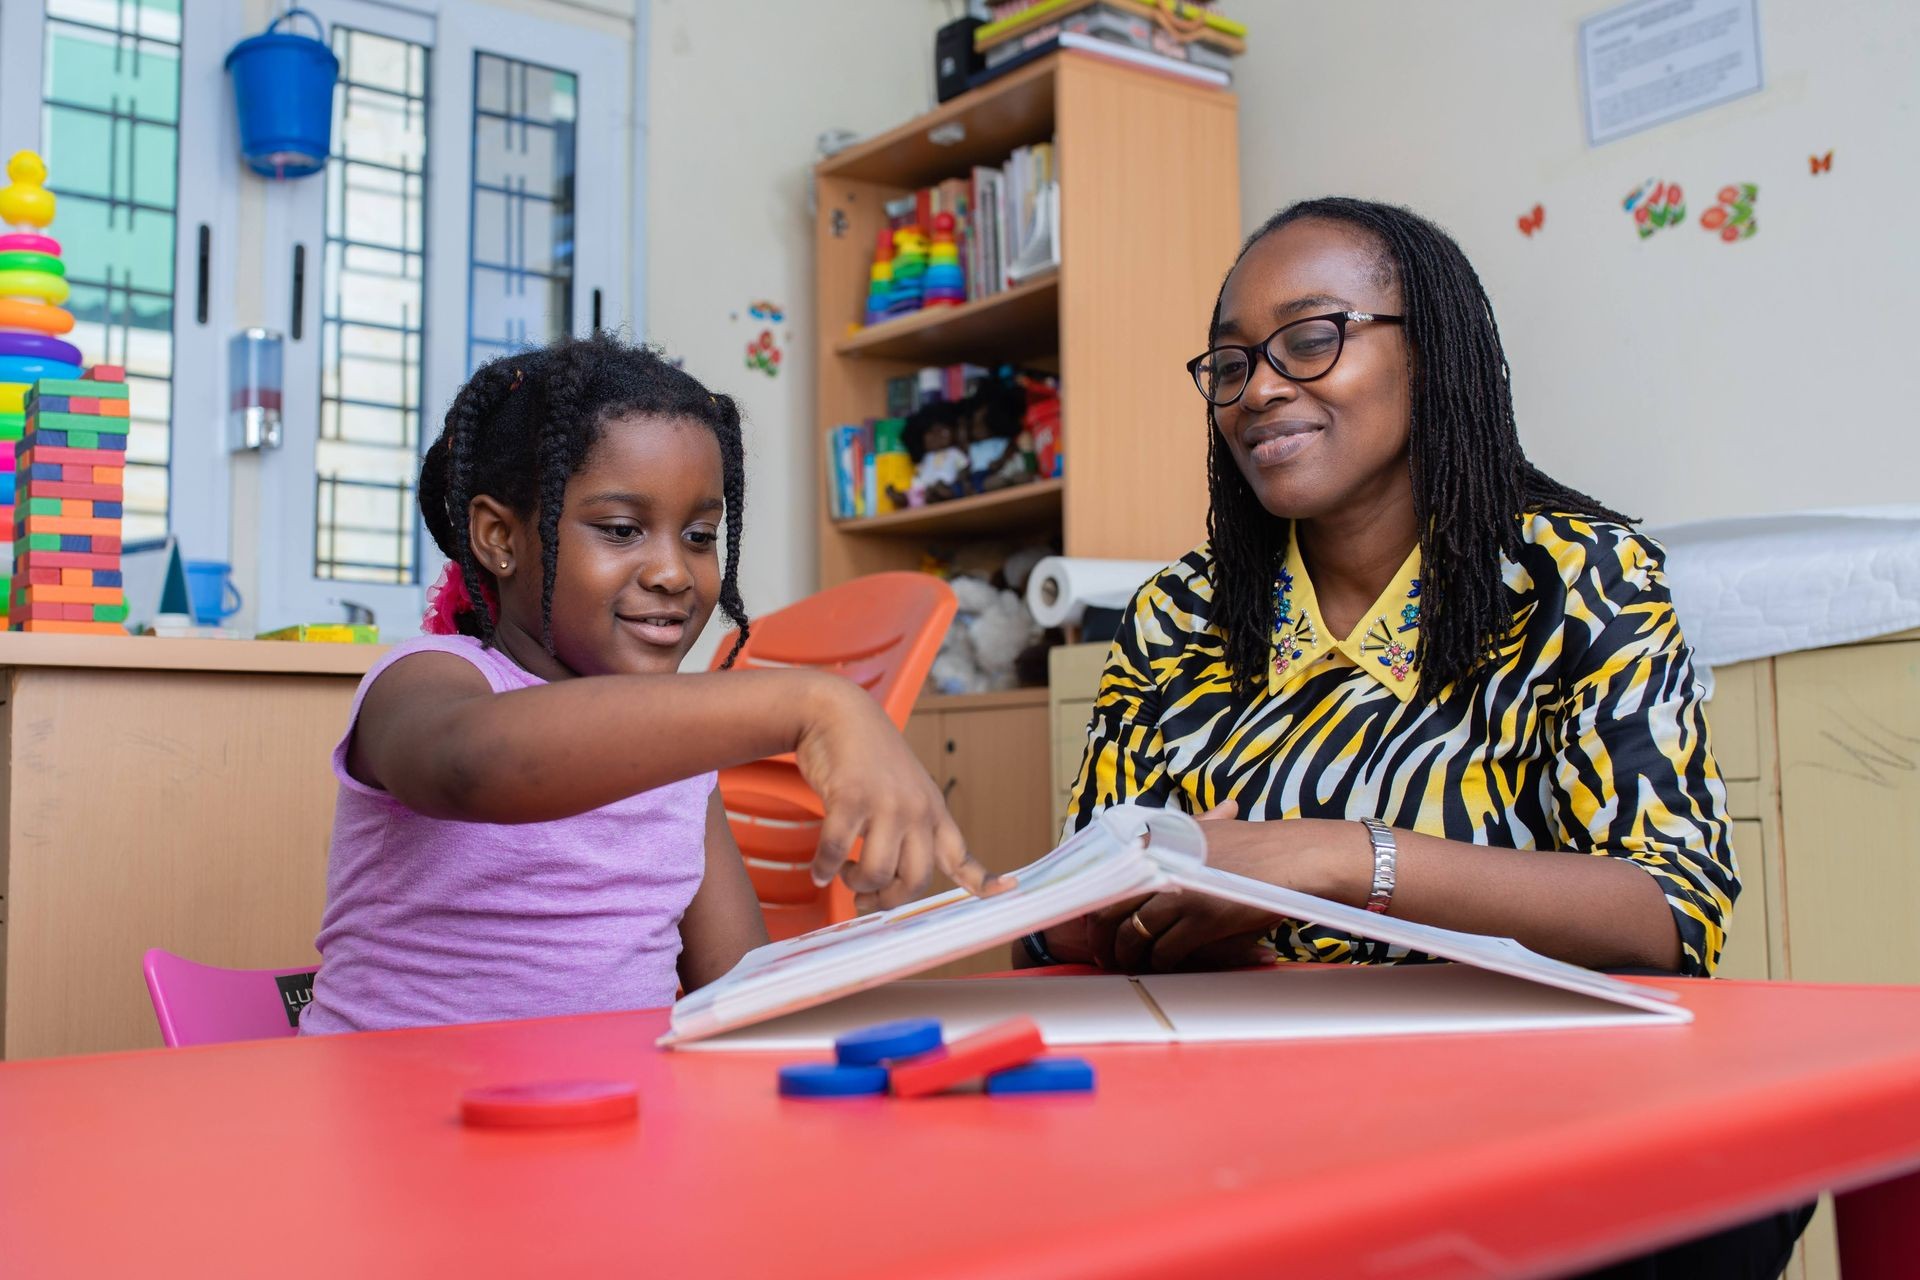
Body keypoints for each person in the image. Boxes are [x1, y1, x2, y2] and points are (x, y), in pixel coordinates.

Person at [1030, 197, 1806, 1277]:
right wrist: (1123, 916)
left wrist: (1344, 860)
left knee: (1727, 1190)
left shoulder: (1577, 578)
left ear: (1430, 352)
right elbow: (1062, 925)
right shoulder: (1178, 616)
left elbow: (1670, 912)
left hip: (1528, 1106)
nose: (1259, 389)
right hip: (1240, 1111)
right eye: (1231, 364)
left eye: (1311, 339)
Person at [301, 334, 1000, 1035]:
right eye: (621, 529)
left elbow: (737, 989)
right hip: (400, 1097)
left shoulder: (675, 758)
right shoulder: (429, 677)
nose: (673, 573)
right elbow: (470, 768)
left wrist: (894, 957)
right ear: (500, 538)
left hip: (613, 1103)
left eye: (698, 537)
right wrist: (814, 702)